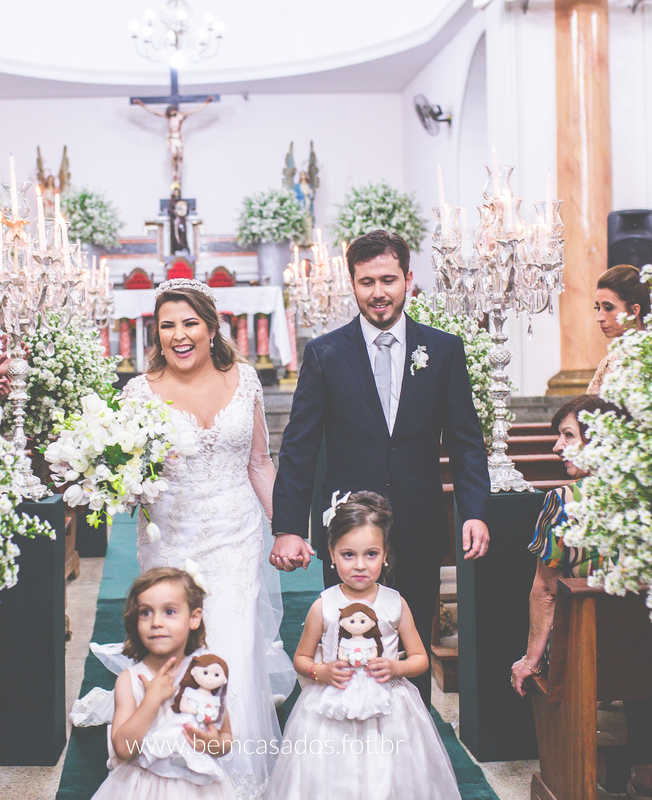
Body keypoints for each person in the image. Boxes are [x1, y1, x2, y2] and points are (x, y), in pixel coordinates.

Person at [271, 228, 491, 706]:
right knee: (346, 644)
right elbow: (299, 447)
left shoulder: (443, 350)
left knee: (410, 647)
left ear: (408, 280)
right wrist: (287, 527)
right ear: (352, 283)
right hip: (347, 532)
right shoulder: (325, 353)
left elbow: (466, 441)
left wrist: (474, 510)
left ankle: (412, 735)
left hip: (418, 521)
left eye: (388, 280)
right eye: (366, 281)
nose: (378, 292)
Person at [119, 278, 288, 798]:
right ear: (156, 333)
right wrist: (118, 482)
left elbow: (259, 463)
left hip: (238, 534)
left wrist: (284, 527)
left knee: (232, 641)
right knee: (179, 644)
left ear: (212, 328)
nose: (179, 335)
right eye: (167, 325)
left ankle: (237, 770)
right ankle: (176, 766)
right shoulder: (140, 392)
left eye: (190, 323)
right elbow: (128, 474)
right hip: (174, 538)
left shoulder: (246, 380)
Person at [509, 395, 652, 800]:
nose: (557, 446)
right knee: (645, 655)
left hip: (585, 647)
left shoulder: (563, 501)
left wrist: (529, 661)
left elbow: (546, 591)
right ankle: (645, 777)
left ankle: (576, 774)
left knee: (572, 649)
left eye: (568, 436)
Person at [266, 492, 458, 799]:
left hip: (388, 708)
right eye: (348, 554)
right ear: (331, 554)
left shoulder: (395, 603)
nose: (360, 565)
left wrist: (396, 667)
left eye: (371, 554)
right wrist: (320, 671)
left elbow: (420, 659)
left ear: (385, 554)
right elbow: (301, 658)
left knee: (388, 775)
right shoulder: (323, 606)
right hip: (332, 706)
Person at [96, 567, 234, 800]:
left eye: (169, 612)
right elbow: (123, 749)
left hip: (199, 790)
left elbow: (226, 735)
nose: (156, 622)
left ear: (194, 618)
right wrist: (151, 700)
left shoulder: (207, 674)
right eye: (146, 613)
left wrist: (214, 744)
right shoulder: (130, 680)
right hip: (143, 788)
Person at [589, 264, 650, 395]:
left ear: (634, 310)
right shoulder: (608, 363)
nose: (599, 318)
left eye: (608, 308)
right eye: (598, 308)